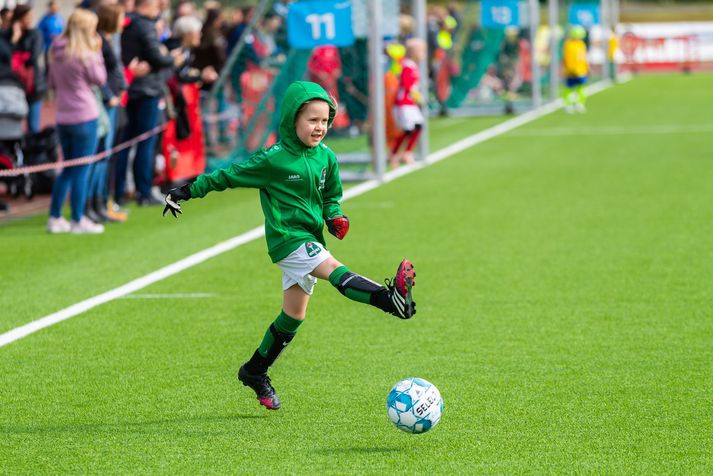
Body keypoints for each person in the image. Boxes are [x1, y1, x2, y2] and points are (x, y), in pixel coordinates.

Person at [162, 81, 417, 410]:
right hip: (288, 239)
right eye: (312, 120)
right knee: (335, 270)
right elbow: (227, 175)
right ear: (292, 120)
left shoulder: (327, 157)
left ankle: (254, 371)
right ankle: (388, 300)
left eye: (325, 121)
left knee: (293, 316)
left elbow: (331, 196)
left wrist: (334, 216)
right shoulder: (275, 159)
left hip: (311, 237)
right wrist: (185, 190)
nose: (319, 128)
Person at [115, 0, 183, 206]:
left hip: (131, 89)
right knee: (146, 143)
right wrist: (171, 58)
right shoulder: (144, 25)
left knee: (125, 145)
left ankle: (120, 193)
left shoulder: (128, 23)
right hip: (146, 91)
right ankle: (144, 192)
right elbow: (157, 57)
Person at [46, 8, 107, 234]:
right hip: (84, 115)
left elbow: (51, 83)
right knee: (81, 170)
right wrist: (98, 52)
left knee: (68, 169)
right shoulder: (86, 54)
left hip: (63, 116)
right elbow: (100, 78)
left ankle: (55, 216)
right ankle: (78, 219)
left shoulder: (55, 52)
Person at [85, 3, 131, 224]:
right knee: (101, 155)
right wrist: (110, 94)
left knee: (106, 155)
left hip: (113, 100)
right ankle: (93, 204)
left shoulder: (110, 39)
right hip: (106, 102)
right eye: (121, 16)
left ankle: (101, 202)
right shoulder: (100, 41)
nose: (124, 21)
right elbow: (100, 74)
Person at [6, 4, 46, 133]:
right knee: (12, 127)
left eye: (31, 17)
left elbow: (33, 57)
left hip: (33, 86)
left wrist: (17, 56)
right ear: (18, 18)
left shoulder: (36, 34)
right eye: (26, 17)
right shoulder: (7, 35)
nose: (29, 20)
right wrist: (14, 39)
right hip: (13, 87)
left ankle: (32, 152)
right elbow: (5, 58)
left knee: (33, 127)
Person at [390, 38, 426, 168]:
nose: (423, 54)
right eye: (421, 51)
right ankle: (397, 154)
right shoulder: (407, 65)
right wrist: (417, 96)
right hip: (404, 103)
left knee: (417, 126)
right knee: (408, 129)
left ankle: (405, 152)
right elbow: (407, 84)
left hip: (410, 103)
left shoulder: (412, 66)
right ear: (413, 52)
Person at [563, 25, 589, 113]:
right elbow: (569, 59)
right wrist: (572, 70)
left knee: (580, 88)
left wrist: (586, 68)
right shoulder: (569, 45)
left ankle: (580, 103)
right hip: (572, 72)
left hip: (581, 71)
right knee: (569, 88)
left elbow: (583, 58)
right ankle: (568, 104)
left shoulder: (581, 44)